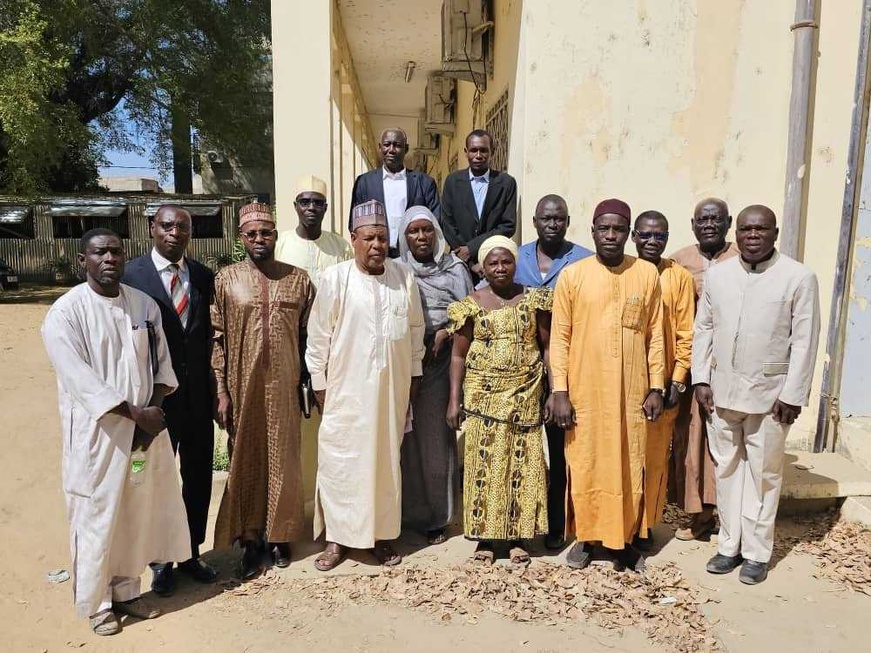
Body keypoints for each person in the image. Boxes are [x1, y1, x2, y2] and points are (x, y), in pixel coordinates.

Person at [42, 229, 189, 635]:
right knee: (96, 516)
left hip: (143, 438)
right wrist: (135, 415)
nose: (109, 258)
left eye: (116, 251)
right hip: (98, 439)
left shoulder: (142, 305)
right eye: (99, 252)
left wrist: (152, 413)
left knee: (134, 513)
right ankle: (97, 603)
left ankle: (127, 590)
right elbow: (81, 380)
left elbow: (162, 366)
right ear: (82, 261)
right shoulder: (66, 313)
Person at [694, 205, 820, 585]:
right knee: (727, 470)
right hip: (723, 393)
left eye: (760, 229)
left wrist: (793, 394)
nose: (752, 235)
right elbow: (704, 327)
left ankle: (756, 553)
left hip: (771, 397)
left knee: (764, 475)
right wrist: (701, 378)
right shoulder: (719, 275)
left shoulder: (798, 277)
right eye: (746, 229)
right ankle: (728, 546)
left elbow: (805, 341)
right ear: (737, 232)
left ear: (775, 233)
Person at [306, 199, 425, 571]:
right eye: (369, 238)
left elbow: (416, 333)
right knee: (342, 464)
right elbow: (317, 339)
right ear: (353, 239)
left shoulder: (403, 276)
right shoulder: (336, 278)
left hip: (391, 392)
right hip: (345, 393)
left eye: (382, 238)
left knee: (387, 463)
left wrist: (413, 383)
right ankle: (338, 540)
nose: (376, 245)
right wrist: (321, 387)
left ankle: (381, 537)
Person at [550, 199, 665, 573]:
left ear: (628, 233)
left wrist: (656, 388)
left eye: (618, 229)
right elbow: (560, 337)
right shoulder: (573, 275)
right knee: (585, 463)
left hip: (632, 392)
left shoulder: (646, 274)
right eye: (604, 228)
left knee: (629, 463)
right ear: (593, 231)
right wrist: (560, 391)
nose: (611, 236)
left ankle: (624, 541)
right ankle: (586, 537)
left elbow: (655, 337)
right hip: (585, 392)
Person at [211, 202, 316, 580]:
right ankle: (251, 541)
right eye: (251, 234)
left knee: (285, 460)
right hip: (243, 387)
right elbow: (218, 340)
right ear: (241, 238)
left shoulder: (299, 280)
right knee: (247, 459)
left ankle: (281, 537)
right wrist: (221, 390)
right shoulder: (226, 280)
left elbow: (310, 340)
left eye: (266, 232)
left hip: (285, 387)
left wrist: (309, 384)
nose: (259, 239)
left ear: (276, 235)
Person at [121, 205, 218, 596]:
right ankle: (159, 560)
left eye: (182, 226)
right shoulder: (130, 277)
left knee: (197, 477)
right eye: (167, 225)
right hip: (154, 402)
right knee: (154, 479)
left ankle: (190, 552)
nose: (174, 232)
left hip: (197, 400)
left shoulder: (204, 277)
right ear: (151, 229)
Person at [446, 235, 552, 566]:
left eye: (506, 261)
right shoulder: (471, 304)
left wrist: (555, 390)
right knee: (483, 467)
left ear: (514, 263)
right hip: (482, 399)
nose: (500, 268)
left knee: (522, 464)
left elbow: (548, 347)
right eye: (493, 262)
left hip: (525, 394)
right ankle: (486, 540)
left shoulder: (534, 300)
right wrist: (453, 400)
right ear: (483, 266)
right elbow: (458, 357)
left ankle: (520, 538)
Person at [513, 194, 592, 550]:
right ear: (534, 221)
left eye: (559, 219)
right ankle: (520, 522)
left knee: (562, 451)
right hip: (521, 372)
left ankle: (559, 523)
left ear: (568, 221)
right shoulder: (517, 258)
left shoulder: (584, 260)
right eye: (546, 218)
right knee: (525, 451)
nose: (553, 224)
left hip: (567, 370)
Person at [398, 205, 474, 545]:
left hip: (441, 364)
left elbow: (470, 312)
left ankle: (437, 517)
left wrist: (446, 330)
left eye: (426, 230)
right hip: (403, 364)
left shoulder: (455, 268)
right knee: (404, 440)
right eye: (413, 231)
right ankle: (404, 514)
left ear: (437, 234)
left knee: (434, 441)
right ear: (405, 237)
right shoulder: (397, 271)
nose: (421, 237)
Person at [668, 197, 739, 540]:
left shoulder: (743, 258)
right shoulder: (678, 261)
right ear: (693, 224)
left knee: (728, 441)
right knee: (691, 439)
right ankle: (699, 514)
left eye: (716, 219)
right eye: (702, 220)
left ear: (728, 223)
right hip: (692, 364)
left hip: (733, 366)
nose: (709, 224)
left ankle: (731, 516)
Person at [631, 210, 695, 549]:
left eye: (659, 236)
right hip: (624, 381)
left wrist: (678, 380)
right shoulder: (623, 270)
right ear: (634, 237)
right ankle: (621, 523)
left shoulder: (679, 277)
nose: (652, 242)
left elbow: (686, 332)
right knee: (625, 457)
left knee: (655, 460)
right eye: (645, 235)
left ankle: (646, 525)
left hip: (664, 385)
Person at [348, 127, 440, 256]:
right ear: (380, 148)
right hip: (377, 257)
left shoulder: (424, 182)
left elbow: (435, 220)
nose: (391, 150)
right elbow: (355, 222)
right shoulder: (365, 182)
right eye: (387, 145)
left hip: (412, 258)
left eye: (397, 145)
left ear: (406, 149)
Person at [441, 129, 517, 279]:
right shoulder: (453, 182)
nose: (478, 156)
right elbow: (447, 223)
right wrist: (467, 258)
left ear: (492, 151)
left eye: (483, 150)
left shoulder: (506, 183)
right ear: (466, 151)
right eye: (473, 150)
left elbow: (507, 226)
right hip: (460, 264)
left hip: (495, 264)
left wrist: (472, 249)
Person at [276, 174, 353, 288]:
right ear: (295, 206)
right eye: (304, 202)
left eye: (318, 203)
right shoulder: (279, 245)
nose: (311, 207)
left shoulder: (341, 247)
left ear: (325, 208)